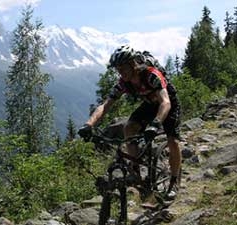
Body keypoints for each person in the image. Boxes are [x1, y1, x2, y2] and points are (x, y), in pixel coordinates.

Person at [78, 45, 182, 199]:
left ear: (133, 64)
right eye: (118, 69)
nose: (120, 72)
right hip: (149, 104)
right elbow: (105, 105)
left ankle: (174, 181)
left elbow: (165, 102)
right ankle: (136, 172)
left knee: (172, 140)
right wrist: (89, 124)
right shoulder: (123, 83)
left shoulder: (151, 75)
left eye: (123, 68)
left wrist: (155, 125)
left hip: (167, 103)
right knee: (129, 128)